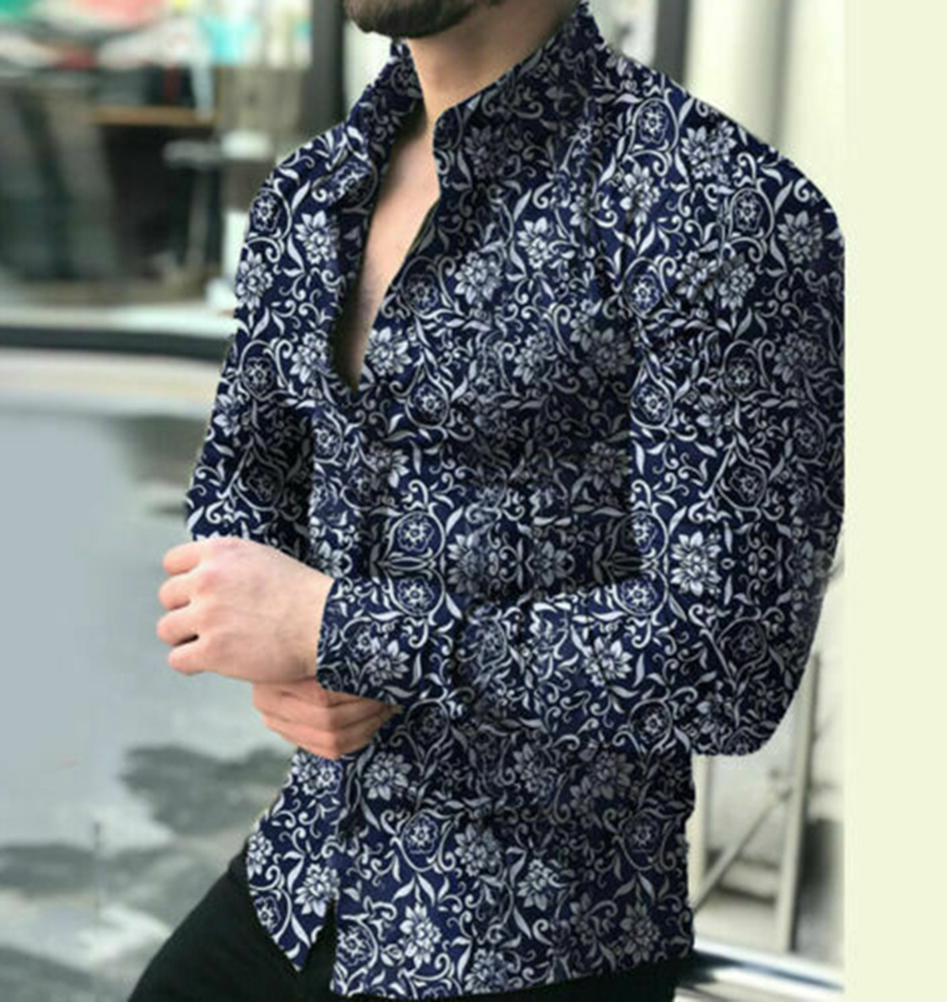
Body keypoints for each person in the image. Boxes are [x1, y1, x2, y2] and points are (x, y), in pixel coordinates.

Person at [137, 0, 844, 998]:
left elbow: (728, 659)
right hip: (305, 879)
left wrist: (342, 630)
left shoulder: (715, 205)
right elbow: (245, 468)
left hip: (536, 939)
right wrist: (279, 651)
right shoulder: (313, 189)